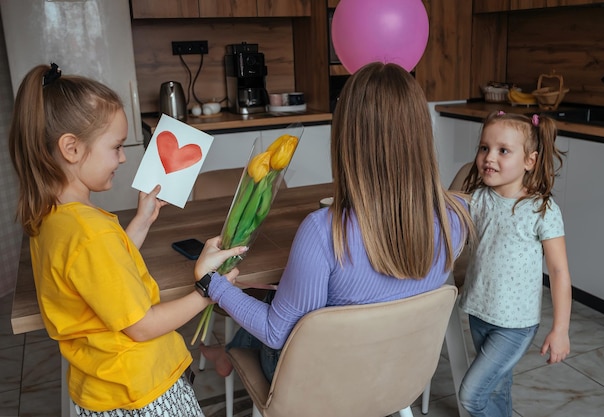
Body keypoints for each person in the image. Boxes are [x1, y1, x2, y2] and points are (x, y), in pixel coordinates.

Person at [199, 61, 474, 382]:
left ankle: (229, 352)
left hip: (324, 381)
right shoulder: (454, 217)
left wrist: (211, 283)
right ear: (422, 134)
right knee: (290, 297)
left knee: (279, 306)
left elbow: (276, 333)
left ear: (346, 138)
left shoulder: (323, 231)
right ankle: (228, 352)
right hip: (397, 374)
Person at [8, 63, 247, 416]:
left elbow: (98, 277)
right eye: (116, 146)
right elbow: (142, 325)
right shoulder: (91, 231)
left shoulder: (53, 219)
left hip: (103, 389)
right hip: (143, 392)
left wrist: (141, 222)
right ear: (71, 148)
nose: (122, 157)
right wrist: (207, 290)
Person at [457, 111, 572, 417]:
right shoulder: (479, 199)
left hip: (516, 324)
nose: (489, 157)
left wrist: (560, 329)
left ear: (529, 161)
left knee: (471, 395)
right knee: (496, 386)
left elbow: (559, 272)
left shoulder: (542, 209)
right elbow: (447, 204)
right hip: (480, 313)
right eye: (484, 148)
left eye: (503, 150)